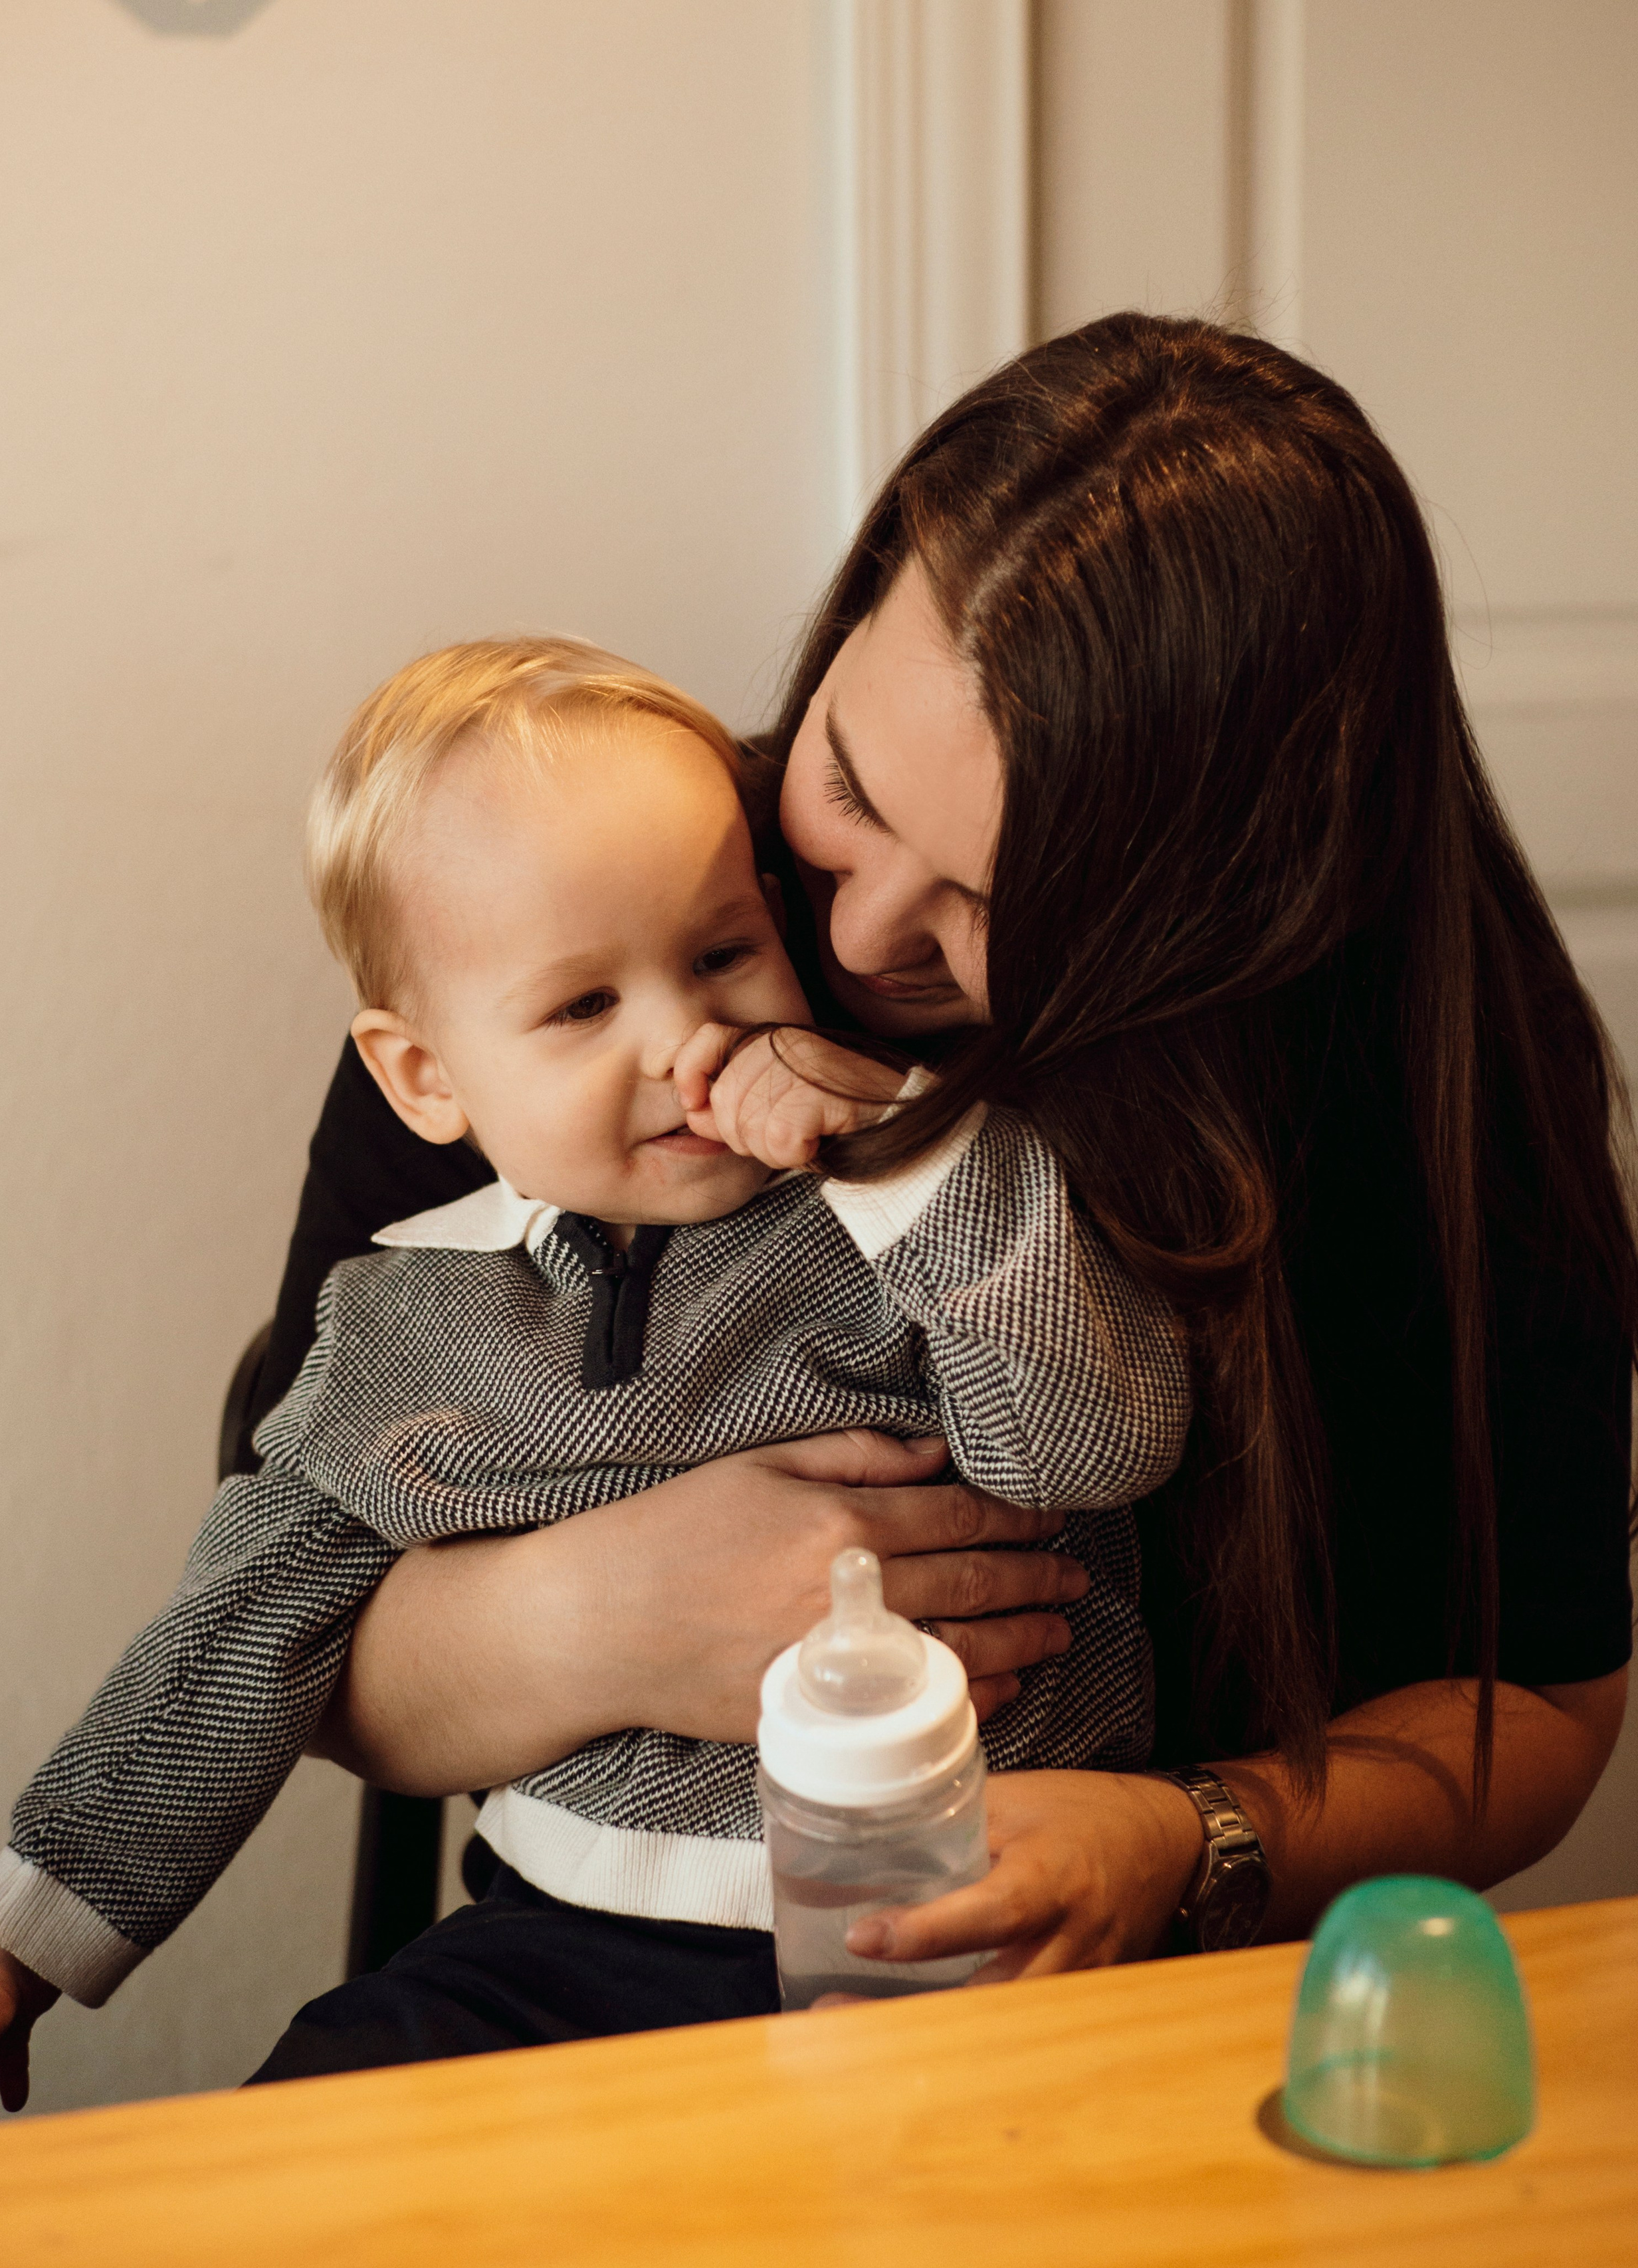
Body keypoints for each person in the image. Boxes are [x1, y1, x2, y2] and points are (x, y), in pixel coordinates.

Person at [284, 314, 1631, 1998]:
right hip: (585, 1967)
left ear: (1222, 914)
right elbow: (284, 1621)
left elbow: (1543, 1707)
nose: (853, 931)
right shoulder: (578, 919)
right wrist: (608, 1613)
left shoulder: (1421, 1088)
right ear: (848, 614)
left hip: (1140, 1995)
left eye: (998, 906)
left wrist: (1188, 1835)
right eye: (846, 781)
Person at [0, 637, 1185, 2120]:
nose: (684, 1037)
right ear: (425, 1081)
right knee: (290, 2143)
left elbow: (1098, 1443)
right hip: (558, 1949)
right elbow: (232, 1634)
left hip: (963, 1925)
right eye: (582, 1008)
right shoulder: (405, 1314)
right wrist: (13, 1945)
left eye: (722, 954)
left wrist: (912, 1156)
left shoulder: (919, 1203)